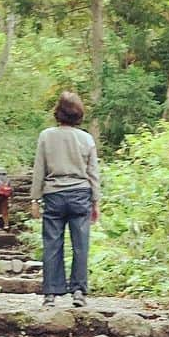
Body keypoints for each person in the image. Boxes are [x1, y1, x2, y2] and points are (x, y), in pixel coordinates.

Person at [30, 90, 100, 308]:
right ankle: (78, 291)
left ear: (58, 113)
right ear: (78, 114)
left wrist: (35, 199)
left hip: (54, 194)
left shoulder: (46, 136)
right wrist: (96, 200)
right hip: (80, 194)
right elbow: (93, 172)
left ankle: (51, 293)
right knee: (81, 245)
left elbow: (39, 169)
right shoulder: (86, 138)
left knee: (52, 243)